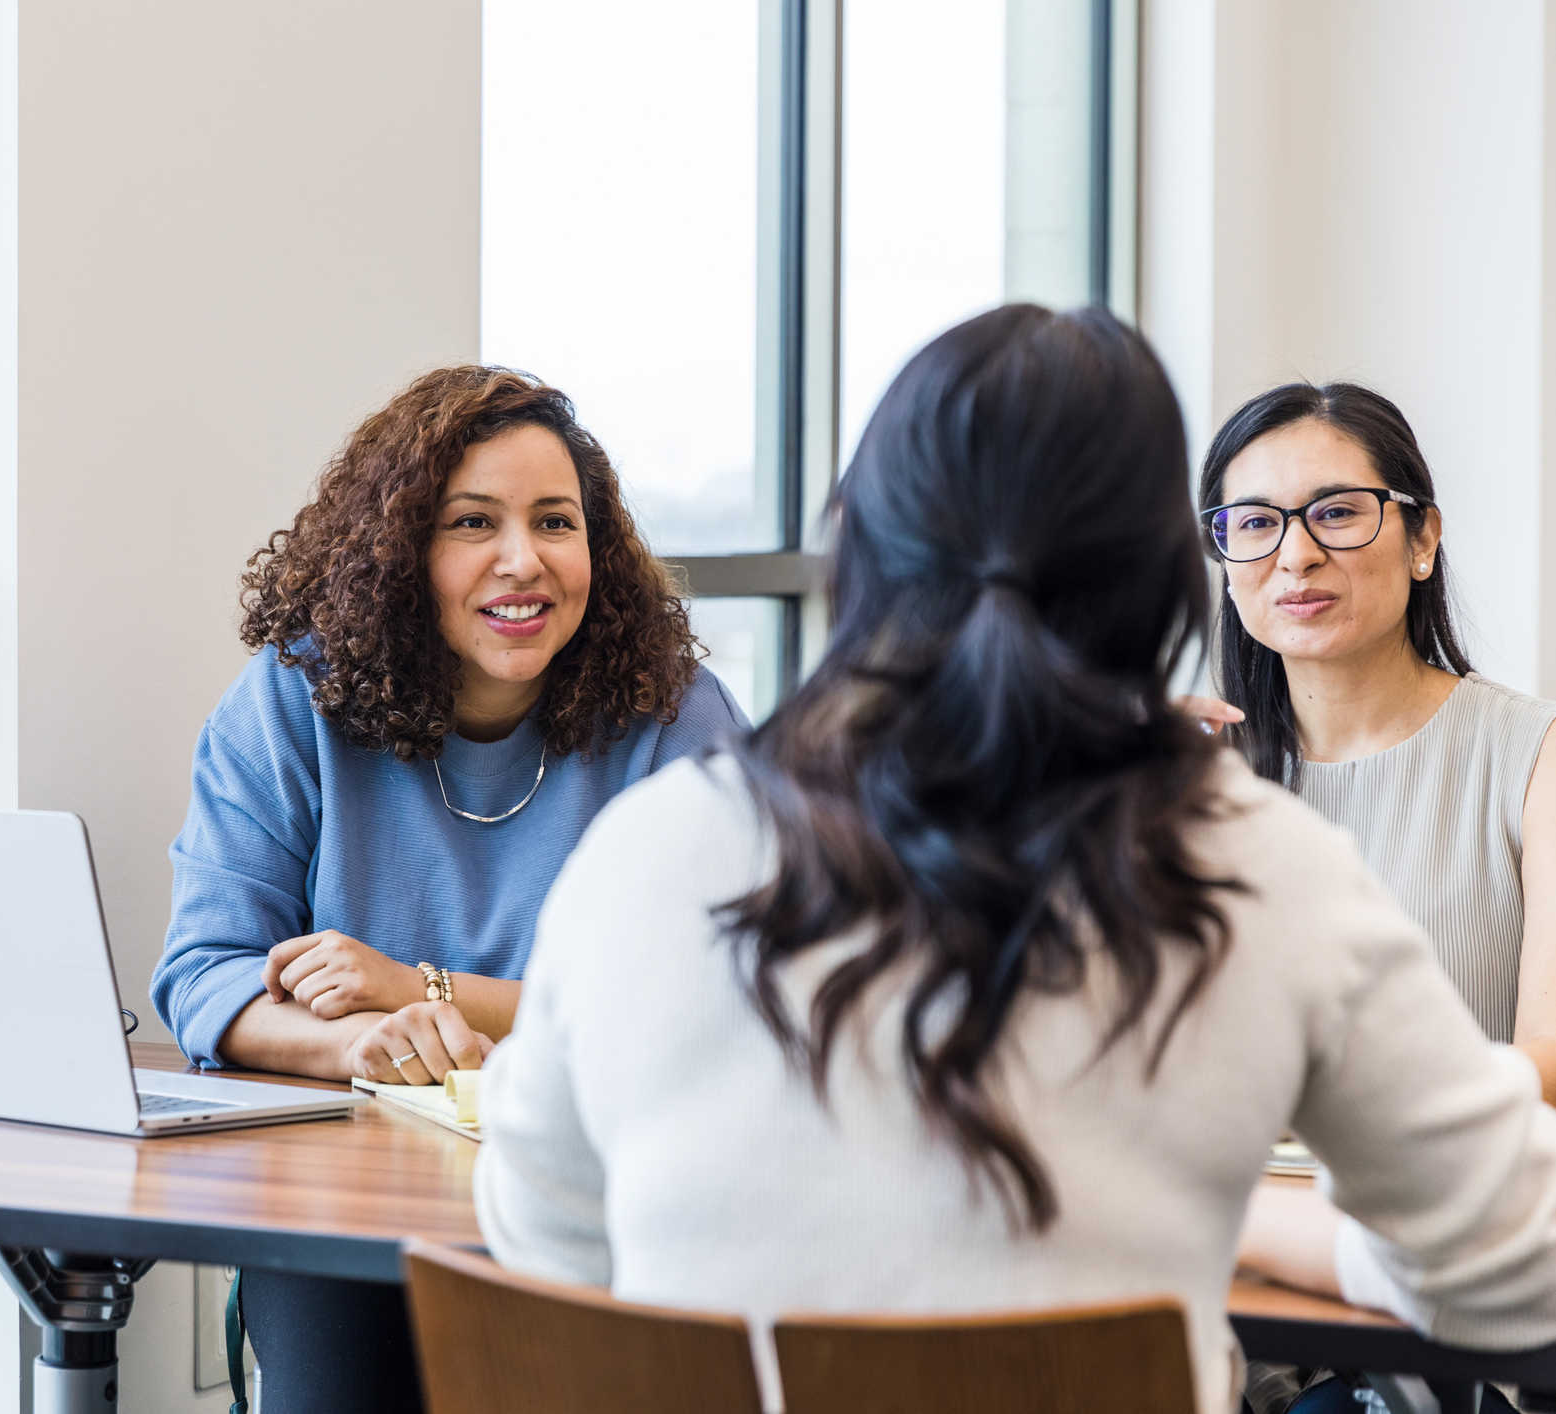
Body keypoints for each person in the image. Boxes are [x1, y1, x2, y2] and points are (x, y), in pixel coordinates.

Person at [473, 306, 1556, 1414]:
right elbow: (1528, 1267)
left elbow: (542, 1235)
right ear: (1165, 577)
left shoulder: (654, 847)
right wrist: (1294, 1231)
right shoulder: (1252, 864)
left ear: (865, 546)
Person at [151, 364, 748, 1414]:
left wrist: (417, 989)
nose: (524, 560)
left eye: (555, 522)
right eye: (474, 522)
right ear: (400, 552)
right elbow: (204, 973)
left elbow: (714, 1001)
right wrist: (357, 1044)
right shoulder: (293, 701)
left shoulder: (675, 718)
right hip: (341, 1204)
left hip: (603, 1184)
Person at [1199, 384, 1556, 1096]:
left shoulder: (1531, 756)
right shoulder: (1190, 776)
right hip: (1232, 1204)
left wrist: (1368, 1109)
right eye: (1254, 523)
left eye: (1334, 513)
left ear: (1421, 538)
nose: (1294, 555)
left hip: (1454, 1197)